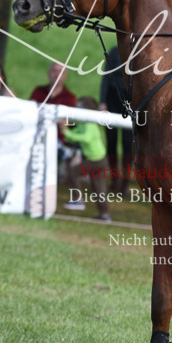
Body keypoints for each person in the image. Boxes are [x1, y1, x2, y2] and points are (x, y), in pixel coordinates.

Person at [60, 96, 112, 221]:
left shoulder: (89, 124)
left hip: (96, 160)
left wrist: (67, 133)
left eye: (80, 107)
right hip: (99, 160)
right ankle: (105, 214)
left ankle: (78, 200)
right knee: (98, 188)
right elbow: (72, 136)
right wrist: (64, 130)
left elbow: (86, 138)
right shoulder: (83, 124)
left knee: (73, 172)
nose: (77, 109)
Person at [99, 45, 134, 194]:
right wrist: (103, 101)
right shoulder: (114, 51)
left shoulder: (142, 50)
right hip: (112, 98)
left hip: (131, 100)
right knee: (111, 141)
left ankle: (124, 184)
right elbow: (106, 76)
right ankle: (114, 180)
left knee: (128, 144)